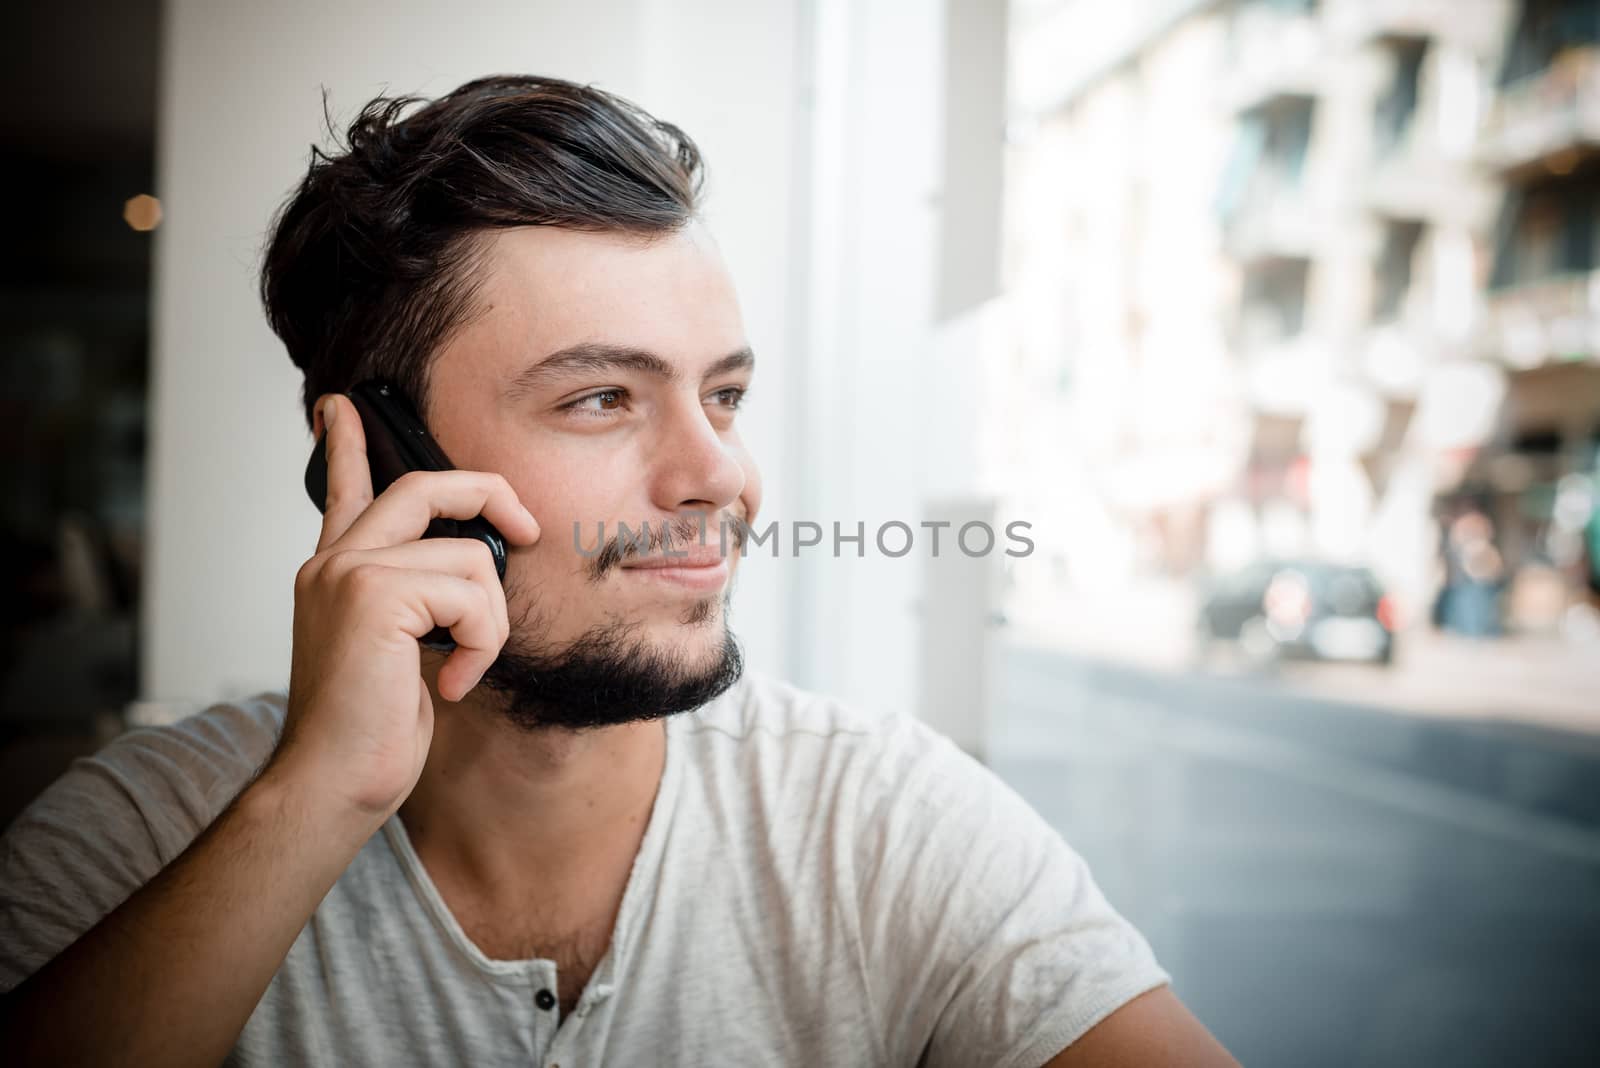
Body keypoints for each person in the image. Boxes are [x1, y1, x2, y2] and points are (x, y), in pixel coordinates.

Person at [0, 74, 1236, 1067]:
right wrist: (319, 795)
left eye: (725, 395)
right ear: (377, 461)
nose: (722, 476)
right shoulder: (137, 841)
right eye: (602, 397)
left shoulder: (882, 824)